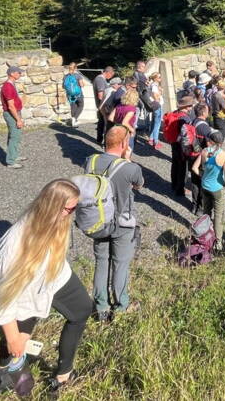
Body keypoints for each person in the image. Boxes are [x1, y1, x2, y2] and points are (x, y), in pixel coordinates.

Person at [0, 179, 92, 394]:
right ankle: (5, 375)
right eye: (70, 209)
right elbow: (2, 295)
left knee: (82, 309)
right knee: (15, 339)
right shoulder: (15, 241)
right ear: (53, 207)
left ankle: (63, 374)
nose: (72, 214)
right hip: (27, 292)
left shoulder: (59, 220)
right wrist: (13, 337)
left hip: (56, 275)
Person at [72, 126, 143, 322]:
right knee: (120, 264)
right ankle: (121, 305)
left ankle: (101, 307)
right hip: (122, 223)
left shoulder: (91, 160)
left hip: (99, 221)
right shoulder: (130, 168)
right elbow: (139, 184)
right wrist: (128, 159)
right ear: (124, 143)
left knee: (102, 262)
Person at [192, 130, 225, 251]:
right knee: (218, 216)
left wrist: (202, 176)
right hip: (217, 188)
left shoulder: (204, 151)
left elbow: (194, 168)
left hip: (205, 186)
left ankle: (205, 235)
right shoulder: (224, 155)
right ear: (221, 143)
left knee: (206, 212)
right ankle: (218, 242)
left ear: (211, 141)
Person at [187, 103, 214, 214]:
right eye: (207, 110)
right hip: (201, 159)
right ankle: (201, 208)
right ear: (203, 112)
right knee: (203, 182)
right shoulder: (205, 127)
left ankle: (194, 205)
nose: (209, 112)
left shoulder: (191, 122)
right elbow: (209, 146)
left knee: (194, 181)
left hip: (191, 155)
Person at [166, 96, 195, 196]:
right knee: (183, 168)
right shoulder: (185, 118)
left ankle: (174, 185)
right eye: (191, 106)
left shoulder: (175, 113)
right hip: (181, 145)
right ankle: (180, 190)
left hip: (174, 142)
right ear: (187, 106)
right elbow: (185, 134)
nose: (191, 108)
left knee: (175, 164)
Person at [0, 65, 25, 168]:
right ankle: (11, 161)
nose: (20, 74)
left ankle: (14, 155)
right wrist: (18, 119)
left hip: (15, 112)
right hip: (11, 114)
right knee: (14, 136)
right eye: (18, 72)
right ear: (12, 74)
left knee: (15, 135)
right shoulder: (8, 87)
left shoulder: (11, 84)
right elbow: (10, 106)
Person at [109, 85, 139, 155]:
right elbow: (124, 122)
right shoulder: (132, 108)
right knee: (127, 152)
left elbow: (110, 118)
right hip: (126, 132)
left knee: (117, 151)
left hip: (117, 129)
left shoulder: (119, 106)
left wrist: (117, 123)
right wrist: (133, 130)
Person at [93, 65, 115, 145]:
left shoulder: (101, 79)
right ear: (108, 72)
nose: (111, 77)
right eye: (111, 75)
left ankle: (100, 140)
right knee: (105, 124)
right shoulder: (100, 80)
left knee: (101, 123)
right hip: (103, 106)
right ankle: (104, 142)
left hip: (101, 106)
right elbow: (100, 95)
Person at [62, 63, 86, 128]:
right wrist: (84, 84)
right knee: (81, 105)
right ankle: (74, 119)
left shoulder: (65, 76)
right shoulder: (78, 75)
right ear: (75, 68)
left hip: (70, 94)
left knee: (73, 106)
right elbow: (81, 85)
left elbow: (63, 86)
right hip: (78, 94)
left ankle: (74, 122)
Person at [147, 72, 164, 148]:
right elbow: (155, 95)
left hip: (154, 106)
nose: (160, 78)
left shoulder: (153, 85)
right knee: (157, 124)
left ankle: (151, 139)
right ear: (155, 78)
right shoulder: (154, 85)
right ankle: (155, 142)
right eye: (159, 77)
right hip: (157, 106)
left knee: (154, 122)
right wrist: (158, 102)